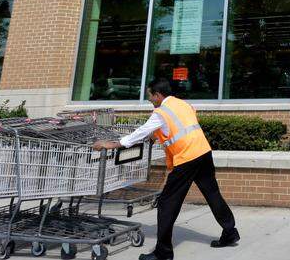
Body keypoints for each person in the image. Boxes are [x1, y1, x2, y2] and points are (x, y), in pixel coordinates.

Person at [93, 80, 238, 260]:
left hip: (187, 158)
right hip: (203, 152)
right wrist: (158, 134)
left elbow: (141, 131)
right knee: (212, 193)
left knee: (166, 203)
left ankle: (163, 252)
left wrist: (113, 144)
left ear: (158, 95)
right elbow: (180, 125)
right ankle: (230, 231)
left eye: (150, 96)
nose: (149, 99)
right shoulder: (183, 104)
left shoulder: (161, 112)